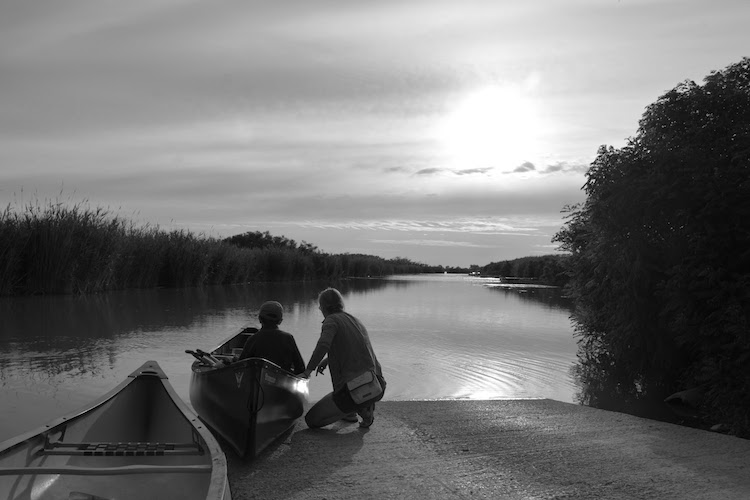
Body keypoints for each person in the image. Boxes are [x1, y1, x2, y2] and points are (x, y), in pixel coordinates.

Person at [303, 288, 385, 429]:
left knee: (312, 420)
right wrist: (328, 359)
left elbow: (323, 344)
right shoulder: (354, 320)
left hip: (357, 389)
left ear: (322, 307)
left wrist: (307, 371)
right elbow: (356, 347)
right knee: (344, 402)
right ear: (341, 305)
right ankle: (358, 408)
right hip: (378, 384)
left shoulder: (331, 321)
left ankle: (360, 409)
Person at [238, 301, 305, 375]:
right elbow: (300, 368)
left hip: (256, 377)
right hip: (282, 381)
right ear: (280, 321)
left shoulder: (253, 339)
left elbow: (240, 366)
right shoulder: (288, 338)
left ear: (259, 319)